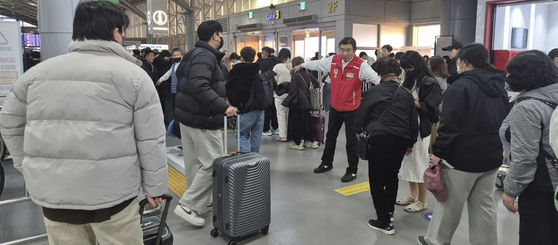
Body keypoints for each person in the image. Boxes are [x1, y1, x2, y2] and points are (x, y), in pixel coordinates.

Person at [0, 2, 168, 244]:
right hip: (113, 198)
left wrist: (25, 164)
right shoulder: (135, 77)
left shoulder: (35, 75)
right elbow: (151, 139)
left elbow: (8, 120)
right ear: (115, 32)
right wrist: (154, 187)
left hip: (56, 196)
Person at [417, 43, 509, 245]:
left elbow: (450, 125)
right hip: (492, 155)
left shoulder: (460, 87)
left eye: (457, 59)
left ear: (465, 62)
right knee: (484, 206)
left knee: (449, 203)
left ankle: (436, 241)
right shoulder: (499, 85)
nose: (455, 63)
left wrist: (438, 152)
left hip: (461, 158)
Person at [172, 20, 238, 227]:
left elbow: (191, 84)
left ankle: (199, 202)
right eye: (220, 34)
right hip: (203, 118)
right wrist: (223, 106)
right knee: (213, 163)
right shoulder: (206, 56)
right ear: (216, 35)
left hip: (188, 118)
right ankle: (188, 205)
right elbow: (199, 86)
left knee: (194, 163)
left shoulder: (192, 53)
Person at [292, 37, 381, 182]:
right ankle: (326, 162)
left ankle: (352, 170)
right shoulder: (334, 60)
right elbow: (318, 64)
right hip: (335, 108)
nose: (345, 53)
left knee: (351, 141)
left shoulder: (361, 66)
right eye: (342, 50)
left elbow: (377, 80)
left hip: (352, 110)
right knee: (330, 137)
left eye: (348, 50)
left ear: (354, 51)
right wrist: (302, 65)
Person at [500, 50, 558, 245]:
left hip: (540, 184)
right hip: (554, 181)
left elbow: (525, 157)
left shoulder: (528, 106)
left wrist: (511, 190)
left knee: (536, 236)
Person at [356, 57, 418, 235]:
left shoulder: (375, 92)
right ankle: (389, 213)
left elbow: (362, 114)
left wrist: (358, 130)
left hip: (379, 138)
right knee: (392, 176)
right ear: (397, 73)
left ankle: (383, 220)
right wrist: (410, 142)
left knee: (376, 177)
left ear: (380, 73)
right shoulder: (406, 93)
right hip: (400, 139)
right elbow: (413, 121)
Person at [396, 51, 441, 213]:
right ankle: (413, 194)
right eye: (405, 69)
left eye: (410, 68)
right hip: (407, 126)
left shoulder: (429, 83)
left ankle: (423, 200)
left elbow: (431, 109)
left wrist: (411, 102)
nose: (408, 71)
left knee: (420, 163)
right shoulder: (410, 80)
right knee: (409, 162)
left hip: (421, 128)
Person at [226, 47, 264, 152]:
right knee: (256, 136)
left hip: (245, 107)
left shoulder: (236, 71)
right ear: (254, 57)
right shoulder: (260, 69)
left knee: (241, 134)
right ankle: (256, 161)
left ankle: (247, 161)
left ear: (241, 58)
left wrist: (236, 103)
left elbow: (229, 89)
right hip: (261, 107)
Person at [288, 57, 320, 150]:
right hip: (307, 101)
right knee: (307, 121)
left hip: (298, 102)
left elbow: (292, 90)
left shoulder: (295, 76)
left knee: (297, 122)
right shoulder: (307, 73)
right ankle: (311, 141)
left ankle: (298, 143)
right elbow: (317, 83)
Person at [272, 48, 293, 142]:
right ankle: (289, 134)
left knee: (281, 115)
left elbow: (273, 80)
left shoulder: (277, 66)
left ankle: (283, 136)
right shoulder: (292, 66)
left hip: (279, 94)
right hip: (290, 94)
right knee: (289, 115)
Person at [260, 46, 279, 136]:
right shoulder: (275, 62)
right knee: (274, 107)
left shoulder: (262, 63)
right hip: (275, 86)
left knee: (266, 107)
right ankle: (275, 127)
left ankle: (266, 128)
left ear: (263, 53)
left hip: (265, 87)